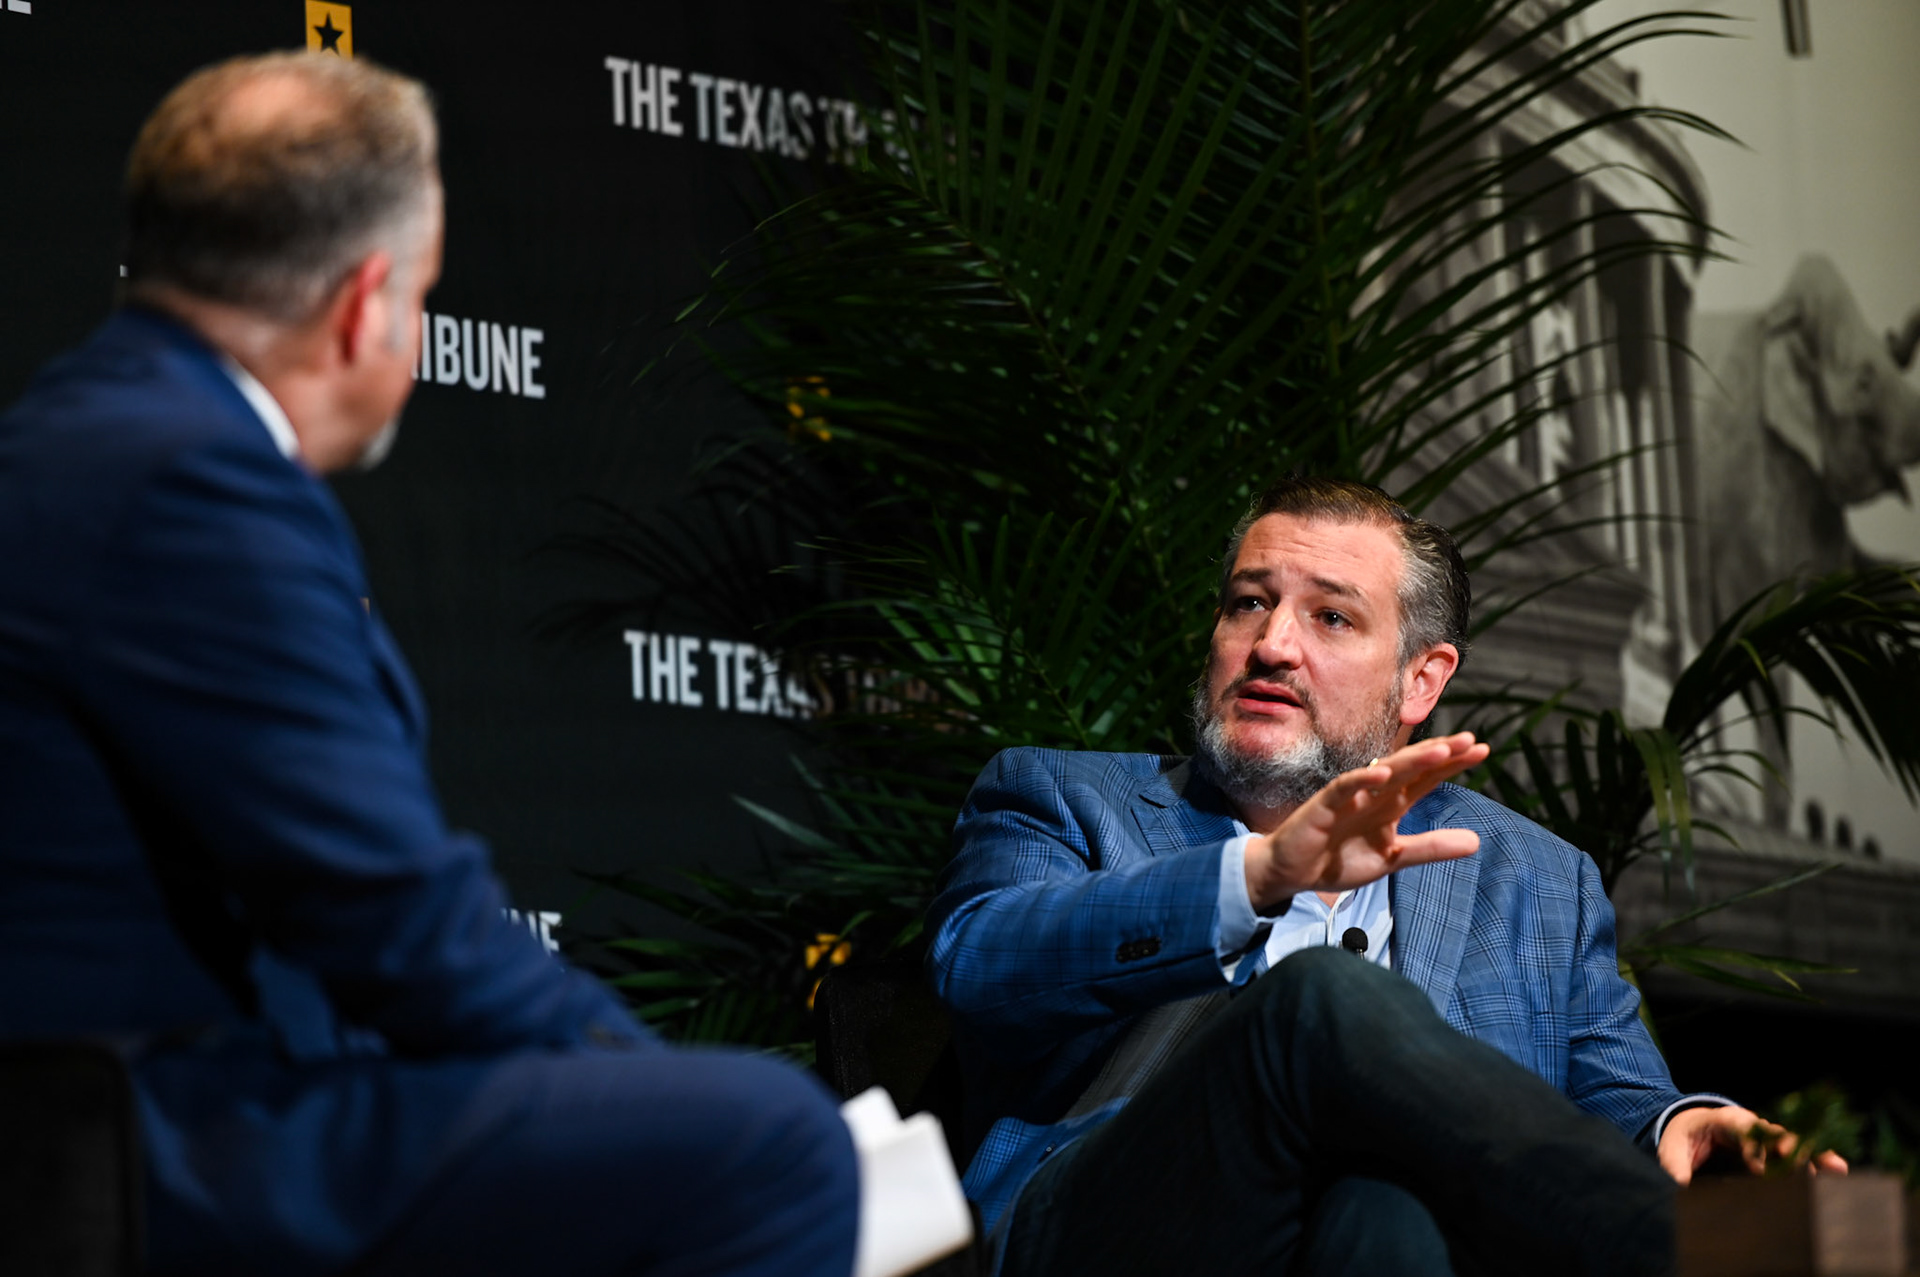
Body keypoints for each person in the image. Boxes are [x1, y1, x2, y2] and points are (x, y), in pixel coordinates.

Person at [0, 53, 859, 1277]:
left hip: (147, 1105)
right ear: (364, 305)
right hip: (161, 1140)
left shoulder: (90, 427)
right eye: (424, 298)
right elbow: (393, 918)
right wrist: (636, 1093)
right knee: (772, 1142)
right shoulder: (190, 480)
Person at [926, 476, 1844, 1277]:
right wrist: (1260, 876)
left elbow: (1614, 1090)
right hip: (1108, 1235)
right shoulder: (1063, 793)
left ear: (1421, 681)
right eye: (1249, 602)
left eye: (1330, 615)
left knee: (1382, 1206)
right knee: (1319, 998)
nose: (1273, 643)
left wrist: (1672, 1124)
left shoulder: (1536, 878)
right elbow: (981, 963)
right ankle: (1698, 1253)